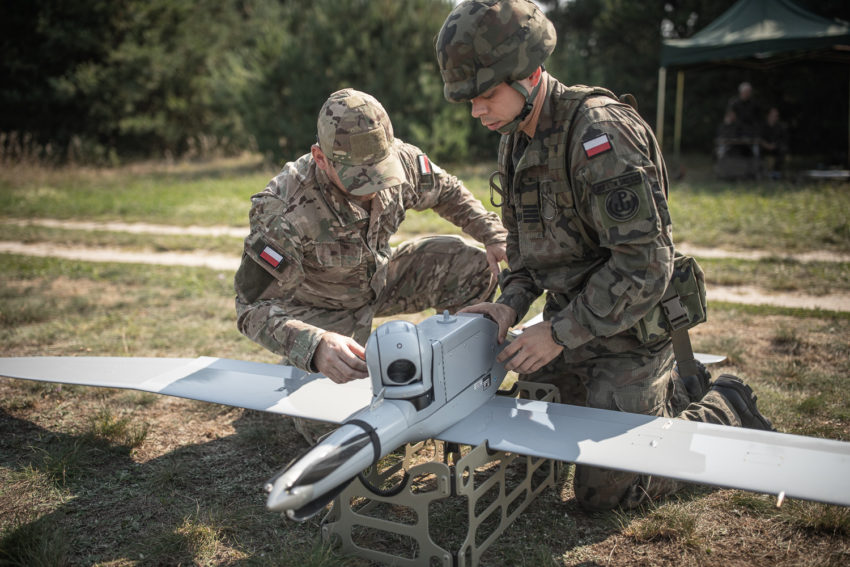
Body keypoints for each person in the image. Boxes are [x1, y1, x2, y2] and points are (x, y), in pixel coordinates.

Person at [436, 0, 773, 511]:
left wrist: (556, 333)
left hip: (630, 334)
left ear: (529, 75)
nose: (477, 111)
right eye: (469, 100)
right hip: (567, 331)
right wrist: (509, 306)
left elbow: (646, 266)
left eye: (485, 95)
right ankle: (670, 396)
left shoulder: (599, 134)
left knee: (606, 492)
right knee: (530, 460)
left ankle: (725, 404)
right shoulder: (515, 139)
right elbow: (526, 257)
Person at [234, 88, 508, 387]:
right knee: (335, 419)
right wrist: (314, 346)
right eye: (358, 175)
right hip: (321, 312)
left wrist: (491, 233)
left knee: (471, 266)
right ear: (320, 158)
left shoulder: (403, 160)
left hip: (379, 282)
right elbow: (251, 309)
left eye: (380, 170)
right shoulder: (283, 212)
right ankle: (302, 366)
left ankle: (457, 372)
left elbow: (447, 191)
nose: (373, 185)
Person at [759, 106, 789, 178]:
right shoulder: (762, 126)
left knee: (782, 150)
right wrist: (766, 145)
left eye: (776, 116)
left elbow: (783, 139)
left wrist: (775, 145)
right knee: (756, 151)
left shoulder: (780, 126)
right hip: (764, 147)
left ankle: (776, 172)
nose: (775, 117)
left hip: (775, 147)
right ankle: (760, 172)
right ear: (768, 115)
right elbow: (759, 138)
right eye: (773, 115)